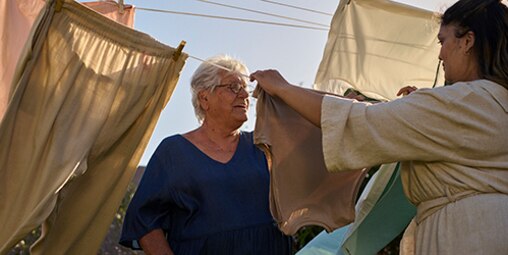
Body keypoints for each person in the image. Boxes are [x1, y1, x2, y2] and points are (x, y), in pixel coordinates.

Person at [250, 0, 508, 254]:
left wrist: (284, 88)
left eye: (443, 41)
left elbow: (361, 121)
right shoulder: (491, 100)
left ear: (467, 41)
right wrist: (419, 109)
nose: (440, 55)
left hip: (468, 236)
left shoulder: (458, 103)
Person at [120, 55, 292, 255]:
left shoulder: (263, 145)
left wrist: (283, 90)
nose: (245, 94)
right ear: (204, 98)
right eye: (233, 87)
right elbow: (144, 220)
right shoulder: (173, 152)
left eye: (246, 88)